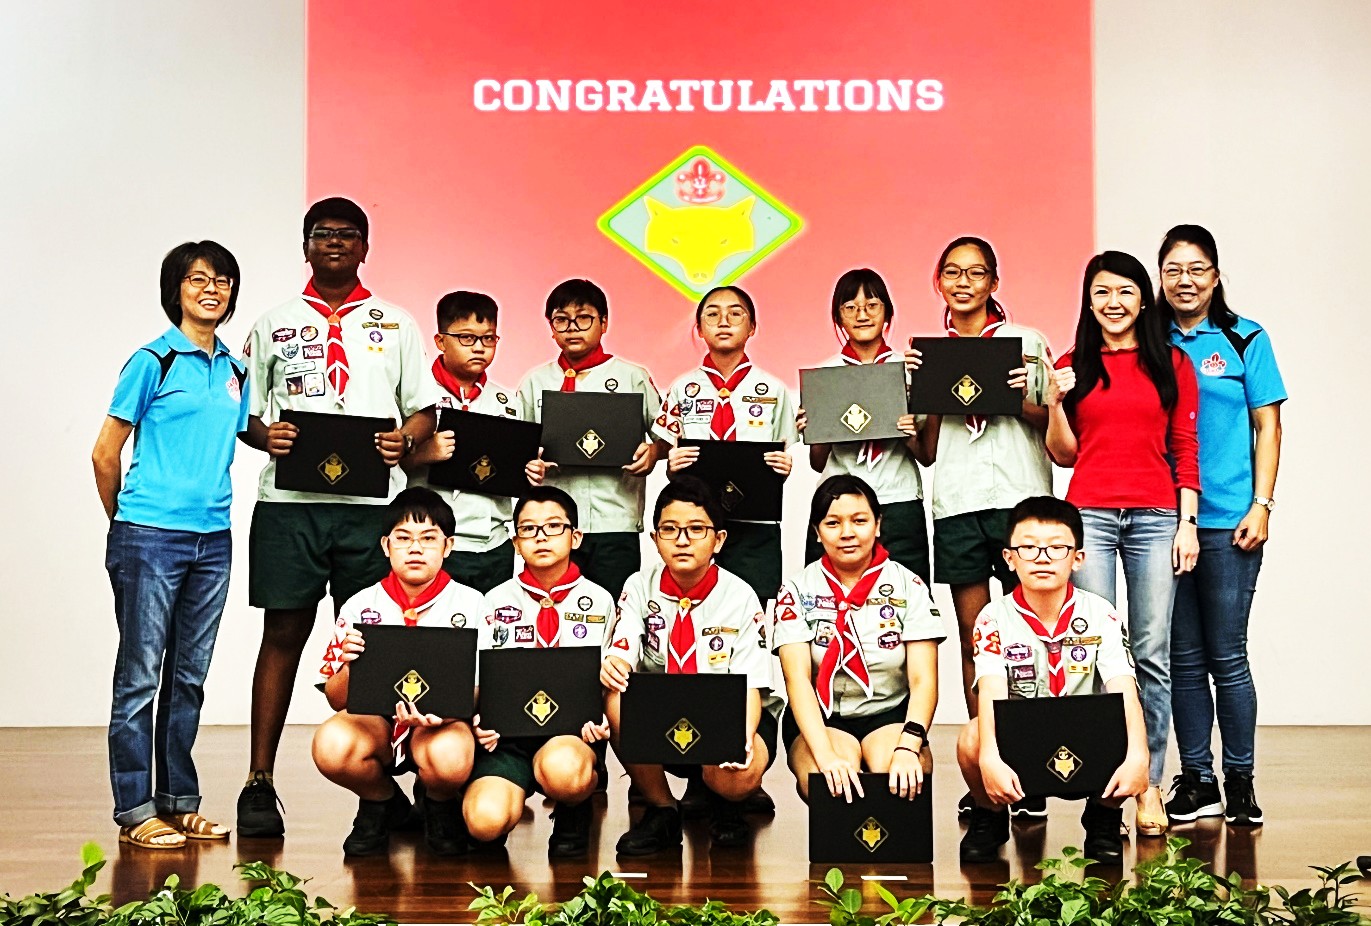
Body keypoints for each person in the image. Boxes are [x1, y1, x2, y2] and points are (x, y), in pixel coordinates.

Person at [237, 197, 440, 837]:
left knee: (373, 645)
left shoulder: (397, 323)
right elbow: (243, 411)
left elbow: (423, 409)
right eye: (322, 233)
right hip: (290, 508)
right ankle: (258, 781)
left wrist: (404, 440)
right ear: (305, 246)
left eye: (348, 234)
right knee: (283, 633)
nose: (335, 242)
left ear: (365, 247)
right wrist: (264, 436)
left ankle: (373, 793)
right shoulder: (273, 324)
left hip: (371, 511)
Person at [93, 241, 249, 849]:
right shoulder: (152, 361)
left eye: (222, 280)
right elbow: (104, 453)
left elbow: (240, 437)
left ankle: (180, 802)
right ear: (176, 290)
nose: (212, 289)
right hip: (150, 538)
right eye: (197, 279)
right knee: (140, 678)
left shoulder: (234, 370)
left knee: (189, 677)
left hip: (213, 540)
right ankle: (136, 809)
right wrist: (126, 523)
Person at [1044, 250, 1200, 837]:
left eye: (1126, 291)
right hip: (1090, 515)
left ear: (1143, 298)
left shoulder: (1172, 362)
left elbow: (1184, 448)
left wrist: (1187, 523)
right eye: (1102, 292)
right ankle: (1105, 786)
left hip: (1157, 515)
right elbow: (1064, 454)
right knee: (1094, 652)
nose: (1114, 303)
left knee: (1152, 652)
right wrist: (1055, 401)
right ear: (1088, 301)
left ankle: (1150, 782)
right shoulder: (1071, 365)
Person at [909, 239, 1053, 799]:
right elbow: (925, 451)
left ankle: (1034, 758)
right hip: (958, 504)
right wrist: (919, 393)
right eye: (952, 272)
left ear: (994, 282)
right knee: (978, 640)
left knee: (1031, 636)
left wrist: (1015, 396)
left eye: (976, 273)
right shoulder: (929, 355)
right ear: (938, 282)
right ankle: (987, 761)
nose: (963, 282)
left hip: (1021, 502)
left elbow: (1054, 428)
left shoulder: (1026, 343)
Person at [1159, 225, 1286, 827]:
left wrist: (1262, 504)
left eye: (1196, 269)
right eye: (1173, 270)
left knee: (1227, 655)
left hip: (1230, 523)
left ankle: (1240, 781)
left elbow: (1269, 427)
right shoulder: (1147, 339)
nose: (1185, 281)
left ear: (1215, 276)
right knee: (1182, 657)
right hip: (1162, 521)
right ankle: (1197, 780)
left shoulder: (1244, 337)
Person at [957, 496, 1149, 864]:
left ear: (1078, 558)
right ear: (1009, 558)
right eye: (1028, 548)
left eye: (1057, 547)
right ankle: (990, 816)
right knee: (972, 737)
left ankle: (1104, 817)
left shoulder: (1101, 613)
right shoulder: (993, 618)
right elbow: (991, 693)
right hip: (1023, 739)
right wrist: (990, 759)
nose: (1042, 558)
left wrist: (1140, 757)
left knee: (1129, 726)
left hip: (1084, 736)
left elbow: (1125, 688)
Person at [602, 477, 778, 854]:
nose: (682, 540)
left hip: (729, 711)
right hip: (666, 713)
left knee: (735, 776)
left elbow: (750, 686)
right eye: (670, 529)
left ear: (719, 540)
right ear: (655, 539)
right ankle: (662, 809)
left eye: (696, 529)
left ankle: (727, 802)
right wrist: (615, 662)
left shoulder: (741, 596)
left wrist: (741, 739)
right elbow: (624, 644)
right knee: (615, 693)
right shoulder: (639, 586)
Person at [311, 487, 485, 857]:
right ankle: (382, 802)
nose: (415, 548)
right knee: (331, 745)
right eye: (403, 538)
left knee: (451, 756)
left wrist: (449, 710)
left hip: (441, 724)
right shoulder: (360, 606)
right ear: (386, 546)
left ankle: (439, 803)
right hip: (377, 722)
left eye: (429, 538)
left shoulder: (474, 605)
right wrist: (349, 664)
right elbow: (336, 699)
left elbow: (486, 688)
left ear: (449, 546)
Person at [463, 486, 616, 857]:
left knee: (565, 771)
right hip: (506, 739)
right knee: (484, 822)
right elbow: (479, 678)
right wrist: (476, 721)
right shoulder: (493, 601)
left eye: (553, 526)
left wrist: (602, 719)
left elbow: (609, 679)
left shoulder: (600, 600)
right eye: (529, 529)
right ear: (516, 543)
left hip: (572, 736)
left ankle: (573, 810)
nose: (541, 536)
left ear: (575, 537)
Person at [774, 475, 941, 804]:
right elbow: (798, 681)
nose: (847, 533)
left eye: (860, 521)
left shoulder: (909, 586)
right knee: (829, 783)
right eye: (832, 523)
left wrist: (909, 746)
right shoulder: (795, 591)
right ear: (816, 532)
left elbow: (924, 680)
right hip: (822, 716)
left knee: (901, 777)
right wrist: (826, 756)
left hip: (888, 712)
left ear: (878, 525)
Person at [653, 285, 798, 604]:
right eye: (712, 314)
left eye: (735, 314)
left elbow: (782, 449)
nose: (723, 321)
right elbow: (668, 453)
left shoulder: (774, 389)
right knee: (692, 608)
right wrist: (672, 468)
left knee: (752, 612)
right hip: (695, 527)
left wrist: (783, 468)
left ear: (752, 327)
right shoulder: (681, 388)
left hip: (755, 526)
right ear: (699, 328)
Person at [518, 279, 662, 598]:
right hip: (553, 524)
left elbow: (666, 434)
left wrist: (654, 452)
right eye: (561, 320)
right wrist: (529, 464)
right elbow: (518, 447)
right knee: (555, 606)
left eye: (583, 318)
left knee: (615, 607)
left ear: (604, 323)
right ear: (551, 327)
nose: (572, 328)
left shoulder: (632, 377)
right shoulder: (534, 382)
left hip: (616, 519)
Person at [797, 269, 931, 583]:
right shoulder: (824, 377)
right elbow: (818, 463)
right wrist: (817, 428)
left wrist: (910, 433)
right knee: (828, 595)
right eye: (850, 307)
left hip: (898, 499)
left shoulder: (909, 370)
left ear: (888, 312)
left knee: (908, 592)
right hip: (838, 501)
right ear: (838, 316)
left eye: (872, 305)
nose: (862, 315)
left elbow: (926, 456)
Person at [402, 290, 532, 594]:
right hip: (433, 541)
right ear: (440, 341)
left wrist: (531, 471)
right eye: (466, 338)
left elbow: (516, 469)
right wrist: (422, 454)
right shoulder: (415, 396)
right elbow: (386, 460)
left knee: (490, 622)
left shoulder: (509, 402)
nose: (479, 347)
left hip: (494, 542)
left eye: (489, 338)